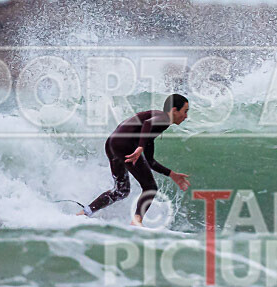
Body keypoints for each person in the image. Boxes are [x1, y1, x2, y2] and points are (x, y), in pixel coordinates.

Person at [77, 94, 191, 226]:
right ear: (174, 110)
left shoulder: (156, 123)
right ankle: (137, 221)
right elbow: (148, 124)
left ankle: (85, 212)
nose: (186, 116)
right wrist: (140, 147)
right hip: (124, 143)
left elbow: (150, 161)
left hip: (112, 143)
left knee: (121, 190)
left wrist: (171, 174)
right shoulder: (164, 118)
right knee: (150, 187)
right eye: (185, 111)